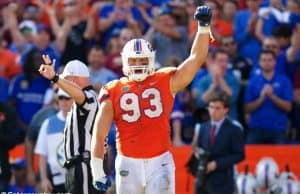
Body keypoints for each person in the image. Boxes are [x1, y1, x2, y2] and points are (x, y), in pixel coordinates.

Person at [90, 5, 212, 193]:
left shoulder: (164, 80)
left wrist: (203, 27)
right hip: (128, 162)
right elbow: (99, 133)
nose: (138, 65)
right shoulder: (113, 89)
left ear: (151, 60)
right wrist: (97, 170)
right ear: (124, 61)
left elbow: (196, 59)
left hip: (159, 161)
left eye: (142, 60)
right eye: (134, 61)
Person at [38, 56, 102, 194]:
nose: (63, 85)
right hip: (76, 166)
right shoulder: (81, 100)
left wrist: (55, 77)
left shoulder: (89, 96)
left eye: (65, 81)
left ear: (73, 80)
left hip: (83, 164)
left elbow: (80, 96)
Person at [193, 91, 245, 194]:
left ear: (226, 109)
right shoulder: (203, 127)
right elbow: (197, 147)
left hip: (223, 182)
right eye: (211, 107)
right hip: (202, 180)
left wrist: (217, 164)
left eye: (217, 108)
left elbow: (240, 155)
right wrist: (199, 154)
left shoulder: (234, 129)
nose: (213, 111)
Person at [244, 50, 293, 144]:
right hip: (256, 128)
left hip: (278, 129)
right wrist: (261, 98)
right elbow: (246, 109)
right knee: (250, 157)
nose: (267, 63)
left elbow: (288, 107)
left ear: (275, 62)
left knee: (281, 158)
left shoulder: (284, 80)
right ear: (259, 62)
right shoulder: (253, 82)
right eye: (264, 60)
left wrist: (272, 96)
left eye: (269, 60)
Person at [34, 89, 73, 193]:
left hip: (78, 179)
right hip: (56, 180)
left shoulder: (82, 122)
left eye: (67, 98)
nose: (64, 101)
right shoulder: (48, 123)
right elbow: (42, 155)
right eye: (61, 98)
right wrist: (44, 179)